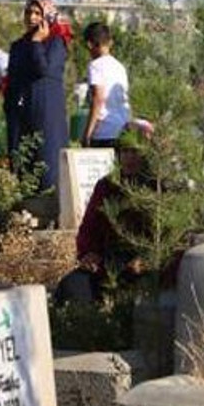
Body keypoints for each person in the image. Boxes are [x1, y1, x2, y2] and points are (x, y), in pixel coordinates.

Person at [55, 129, 155, 304]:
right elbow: (89, 227)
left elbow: (171, 236)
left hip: (145, 265)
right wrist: (89, 253)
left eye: (135, 151)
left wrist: (149, 260)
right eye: (125, 151)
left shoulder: (158, 188)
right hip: (110, 260)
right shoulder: (107, 186)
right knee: (73, 285)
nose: (129, 157)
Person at [4, 0, 70, 190]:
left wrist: (36, 43)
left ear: (47, 16)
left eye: (37, 13)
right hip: (22, 113)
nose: (31, 17)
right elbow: (13, 79)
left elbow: (43, 70)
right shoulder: (18, 46)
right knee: (22, 163)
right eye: (28, 12)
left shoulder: (56, 43)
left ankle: (49, 211)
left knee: (47, 165)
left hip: (46, 114)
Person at [80, 22, 132, 148]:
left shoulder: (95, 66)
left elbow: (98, 98)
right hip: (122, 129)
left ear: (89, 44)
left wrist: (88, 133)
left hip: (103, 132)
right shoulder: (119, 67)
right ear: (110, 42)